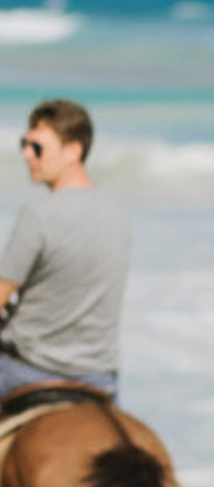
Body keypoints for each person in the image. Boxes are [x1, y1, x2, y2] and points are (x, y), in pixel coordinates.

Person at [0, 99, 132, 408]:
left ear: (73, 150)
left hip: (29, 370)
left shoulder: (38, 214)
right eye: (24, 145)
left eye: (37, 147)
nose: (27, 155)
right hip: (100, 377)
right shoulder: (117, 212)